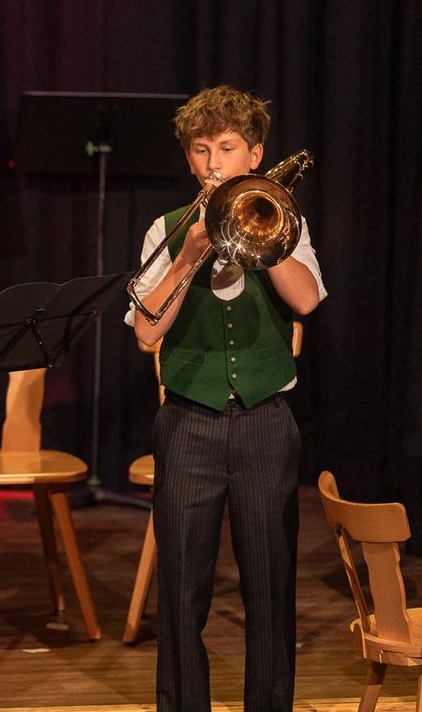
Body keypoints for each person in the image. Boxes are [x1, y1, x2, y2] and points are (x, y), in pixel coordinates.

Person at [126, 85, 327, 711]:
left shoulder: (283, 218)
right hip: (189, 424)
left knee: (269, 587)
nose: (214, 162)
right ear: (189, 159)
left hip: (266, 422)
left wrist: (259, 234)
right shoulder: (165, 230)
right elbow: (146, 332)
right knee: (182, 593)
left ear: (255, 155)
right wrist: (189, 253)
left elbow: (306, 300)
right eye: (201, 149)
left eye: (228, 148)